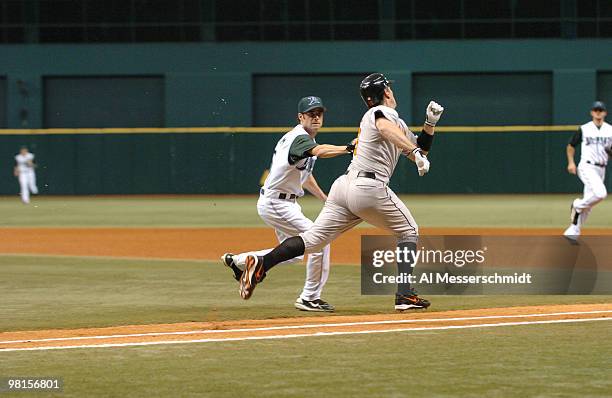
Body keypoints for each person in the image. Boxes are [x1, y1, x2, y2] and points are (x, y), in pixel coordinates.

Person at [228, 73, 444, 311]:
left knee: (313, 240)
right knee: (409, 231)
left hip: (343, 188)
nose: (392, 91)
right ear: (386, 92)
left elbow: (421, 147)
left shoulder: (396, 124)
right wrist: (414, 153)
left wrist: (429, 124)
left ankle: (261, 263)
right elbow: (388, 130)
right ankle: (404, 295)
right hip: (368, 188)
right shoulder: (380, 114)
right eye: (389, 88)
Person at [222, 96, 355, 312]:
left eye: (319, 113)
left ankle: (242, 261)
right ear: (300, 117)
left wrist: (324, 198)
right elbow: (321, 151)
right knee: (319, 241)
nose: (316, 118)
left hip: (282, 202)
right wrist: (347, 148)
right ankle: (309, 298)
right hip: (277, 203)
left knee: (294, 254)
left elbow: (305, 176)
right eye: (311, 114)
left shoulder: (301, 141)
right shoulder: (300, 138)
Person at [564, 101, 612, 239]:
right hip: (587, 166)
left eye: (600, 110)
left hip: (601, 169)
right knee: (600, 193)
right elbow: (571, 145)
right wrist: (571, 163)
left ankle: (573, 230)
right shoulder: (584, 128)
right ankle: (577, 205)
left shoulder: (610, 130)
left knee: (589, 204)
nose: (598, 112)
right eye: (596, 110)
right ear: (591, 112)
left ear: (605, 113)